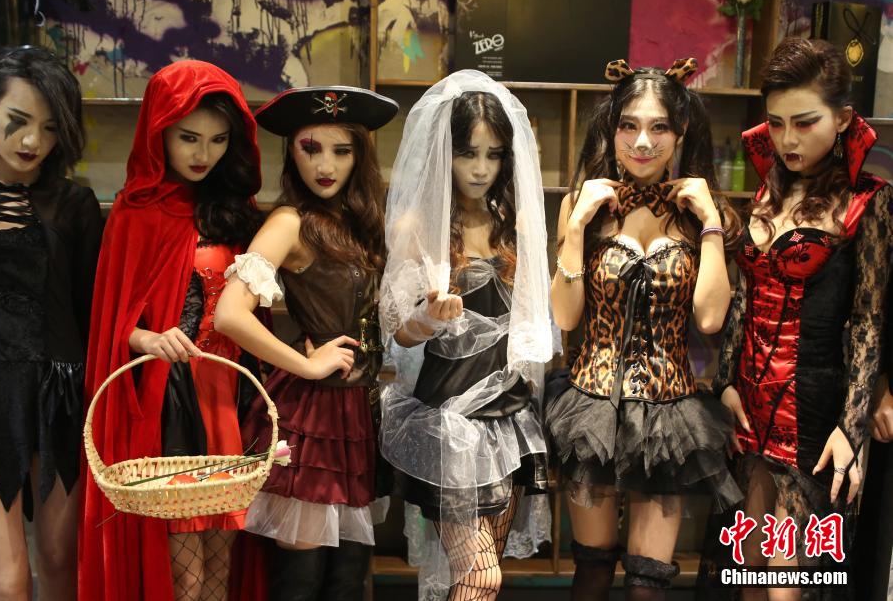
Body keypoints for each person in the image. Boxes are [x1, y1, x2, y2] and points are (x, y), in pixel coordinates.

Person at [545, 57, 742, 601]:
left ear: (681, 132)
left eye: (659, 127)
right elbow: (565, 317)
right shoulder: (581, 205)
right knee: (591, 572)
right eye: (629, 125)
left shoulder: (702, 213)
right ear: (612, 129)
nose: (642, 142)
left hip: (669, 415)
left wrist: (710, 223)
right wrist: (577, 226)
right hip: (591, 409)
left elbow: (710, 318)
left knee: (647, 585)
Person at [709, 37, 892, 601]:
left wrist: (851, 427)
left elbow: (868, 321)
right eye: (777, 123)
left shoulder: (868, 200)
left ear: (842, 119)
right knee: (747, 575)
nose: (788, 139)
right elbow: (743, 296)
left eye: (805, 122)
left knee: (789, 586)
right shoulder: (768, 190)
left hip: (813, 413)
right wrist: (724, 383)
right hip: (748, 408)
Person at [79, 60, 264, 601]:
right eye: (189, 138)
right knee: (186, 572)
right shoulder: (134, 214)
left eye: (218, 140)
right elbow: (111, 324)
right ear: (158, 131)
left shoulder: (235, 212)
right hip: (171, 400)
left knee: (222, 561)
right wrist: (149, 338)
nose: (203, 153)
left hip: (230, 394)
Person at [213, 85, 397, 601]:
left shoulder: (360, 223)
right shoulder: (289, 221)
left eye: (342, 150)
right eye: (310, 148)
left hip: (359, 411)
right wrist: (307, 365)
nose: (326, 165)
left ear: (360, 156)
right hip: (312, 415)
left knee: (348, 578)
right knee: (302, 580)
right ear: (291, 151)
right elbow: (229, 314)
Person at [377, 69, 556, 601]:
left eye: (493, 155)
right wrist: (429, 319)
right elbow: (399, 333)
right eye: (467, 153)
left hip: (510, 416)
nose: (480, 169)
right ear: (444, 152)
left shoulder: (512, 222)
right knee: (481, 576)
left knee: (478, 579)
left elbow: (536, 322)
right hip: (450, 419)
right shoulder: (417, 225)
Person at [0, 45, 99, 601]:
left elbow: (91, 310)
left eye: (51, 127)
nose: (33, 141)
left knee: (62, 564)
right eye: (18, 120)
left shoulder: (75, 204)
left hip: (61, 397)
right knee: (9, 581)